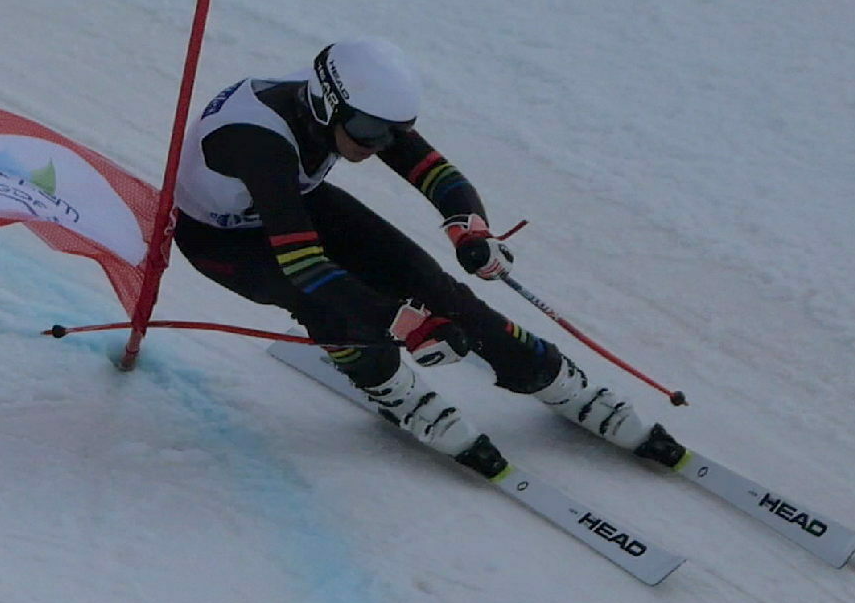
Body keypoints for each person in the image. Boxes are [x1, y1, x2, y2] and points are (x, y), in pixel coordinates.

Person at [173, 37, 684, 478]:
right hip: (225, 244)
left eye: (394, 131)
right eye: (372, 134)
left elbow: (436, 173)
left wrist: (469, 226)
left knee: (430, 284)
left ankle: (548, 375)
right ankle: (390, 387)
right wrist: (405, 324)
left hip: (294, 201)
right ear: (327, 107)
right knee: (330, 307)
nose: (380, 145)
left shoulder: (355, 109)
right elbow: (304, 268)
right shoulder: (258, 141)